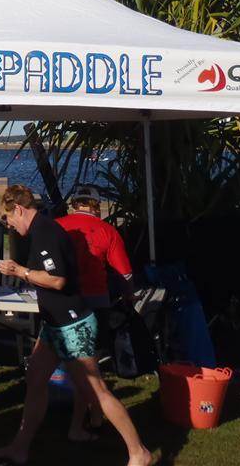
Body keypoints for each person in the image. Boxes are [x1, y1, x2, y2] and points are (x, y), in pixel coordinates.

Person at [0, 185, 151, 466]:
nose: (8, 225)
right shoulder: (43, 230)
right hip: (55, 323)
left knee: (95, 389)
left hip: (72, 325)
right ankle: (19, 448)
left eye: (7, 219)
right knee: (35, 380)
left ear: (19, 210)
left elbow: (58, 279)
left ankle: (139, 452)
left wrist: (20, 271)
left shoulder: (46, 233)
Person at [57, 184, 136, 438]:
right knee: (90, 365)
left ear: (74, 204)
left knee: (72, 363)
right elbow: (125, 273)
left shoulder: (57, 226)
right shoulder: (107, 230)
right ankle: (92, 416)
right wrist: (128, 294)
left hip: (63, 300)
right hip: (95, 301)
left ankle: (86, 416)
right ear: (96, 206)